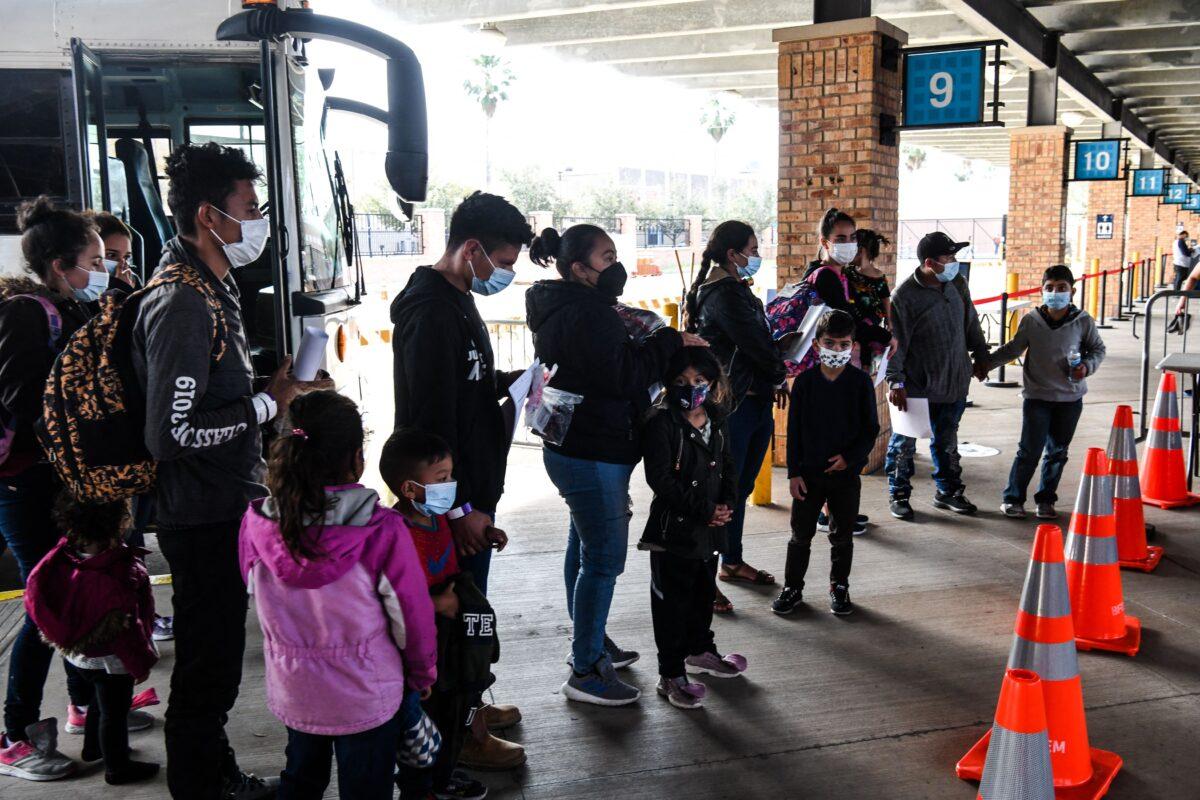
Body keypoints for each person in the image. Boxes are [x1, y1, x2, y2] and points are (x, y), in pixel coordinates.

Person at [131, 142, 324, 800]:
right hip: (200, 511)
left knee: (213, 667)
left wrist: (270, 392)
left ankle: (215, 775)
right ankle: (200, 788)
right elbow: (171, 433)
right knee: (207, 670)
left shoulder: (209, 284)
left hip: (222, 504)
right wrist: (268, 402)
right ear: (210, 216)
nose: (259, 219)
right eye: (250, 207)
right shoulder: (183, 302)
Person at [525, 224, 700, 706]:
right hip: (594, 449)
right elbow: (625, 376)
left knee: (583, 544)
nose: (615, 265)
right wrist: (667, 342)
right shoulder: (589, 316)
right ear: (579, 268)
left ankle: (590, 640)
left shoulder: (559, 303)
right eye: (606, 257)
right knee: (602, 561)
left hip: (574, 444)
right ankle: (585, 670)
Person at [239, 391, 438, 800]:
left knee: (301, 780)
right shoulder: (382, 530)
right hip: (367, 695)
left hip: (296, 691)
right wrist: (421, 674)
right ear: (356, 459)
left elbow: (250, 589)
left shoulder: (257, 523)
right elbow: (412, 618)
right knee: (367, 789)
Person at [390, 190, 531, 759]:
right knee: (455, 622)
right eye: (501, 262)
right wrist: (457, 510)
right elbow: (429, 425)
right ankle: (459, 731)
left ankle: (471, 700)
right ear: (471, 249)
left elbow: (464, 382)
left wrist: (509, 382)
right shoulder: (429, 312)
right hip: (451, 505)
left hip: (469, 494)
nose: (503, 274)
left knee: (472, 616)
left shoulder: (458, 296)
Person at [0, 197, 113, 782]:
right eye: (94, 259)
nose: (102, 269)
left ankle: (79, 707)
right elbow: (24, 401)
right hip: (21, 482)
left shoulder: (65, 308)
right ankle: (13, 736)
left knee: (68, 592)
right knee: (47, 606)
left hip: (52, 476)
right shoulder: (27, 313)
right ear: (59, 264)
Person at [383, 428, 520, 800]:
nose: (451, 485)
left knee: (451, 708)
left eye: (451, 476)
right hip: (421, 643)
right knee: (426, 719)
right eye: (442, 479)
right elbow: (390, 598)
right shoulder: (396, 531)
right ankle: (425, 786)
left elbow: (461, 531)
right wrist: (436, 605)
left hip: (450, 633)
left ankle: (444, 773)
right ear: (409, 489)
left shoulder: (438, 515)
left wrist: (488, 531)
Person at [684, 220, 785, 613]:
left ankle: (732, 561)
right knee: (721, 493)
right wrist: (781, 366)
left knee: (738, 490)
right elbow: (755, 343)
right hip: (734, 405)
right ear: (732, 254)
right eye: (753, 249)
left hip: (753, 400)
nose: (757, 256)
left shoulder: (733, 288)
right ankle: (703, 581)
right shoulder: (722, 293)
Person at [24, 495, 159, 785]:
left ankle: (94, 747)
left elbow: (35, 598)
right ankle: (117, 766)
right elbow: (128, 632)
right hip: (113, 658)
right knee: (115, 712)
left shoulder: (59, 558)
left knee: (101, 698)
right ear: (119, 524)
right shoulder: (116, 573)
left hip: (79, 654)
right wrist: (141, 664)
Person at [639, 347, 747, 710]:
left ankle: (700, 651)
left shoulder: (716, 414)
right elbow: (661, 480)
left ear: (711, 383)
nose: (691, 388)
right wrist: (705, 510)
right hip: (675, 531)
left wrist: (728, 505)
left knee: (703, 592)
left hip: (710, 529)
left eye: (699, 381)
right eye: (682, 382)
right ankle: (670, 673)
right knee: (671, 603)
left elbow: (729, 463)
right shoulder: (660, 422)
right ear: (669, 384)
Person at [83, 211, 173, 642]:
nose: (119, 268)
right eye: (107, 258)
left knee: (133, 542)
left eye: (124, 258)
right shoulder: (89, 316)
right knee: (119, 545)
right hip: (110, 456)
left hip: (133, 450)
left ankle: (143, 620)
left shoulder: (127, 301)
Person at [772, 310, 879, 617]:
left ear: (853, 346)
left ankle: (839, 585)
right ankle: (792, 587)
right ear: (817, 345)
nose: (836, 349)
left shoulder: (860, 383)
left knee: (842, 535)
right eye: (829, 343)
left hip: (846, 477)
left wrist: (850, 458)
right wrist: (793, 473)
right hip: (808, 474)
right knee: (800, 535)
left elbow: (870, 429)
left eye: (843, 343)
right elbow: (794, 431)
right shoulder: (804, 383)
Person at [984, 266, 1106, 520]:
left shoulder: (1082, 320)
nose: (1055, 292)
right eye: (1049, 288)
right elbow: (1013, 349)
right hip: (1037, 398)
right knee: (1029, 450)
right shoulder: (1032, 320)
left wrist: (1087, 366)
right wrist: (985, 364)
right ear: (1042, 291)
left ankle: (1046, 500)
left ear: (1072, 290)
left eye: (1061, 288)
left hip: (1069, 399)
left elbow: (1097, 349)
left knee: (1057, 452)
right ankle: (1013, 498)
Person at [885, 231, 989, 521]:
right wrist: (896, 381)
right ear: (930, 262)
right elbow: (897, 343)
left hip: (954, 380)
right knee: (904, 444)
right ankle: (899, 494)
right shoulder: (904, 296)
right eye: (949, 258)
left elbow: (971, 322)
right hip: (916, 385)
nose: (955, 263)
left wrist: (980, 356)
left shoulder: (957, 282)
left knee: (947, 440)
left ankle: (948, 491)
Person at [801, 209, 893, 358]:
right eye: (841, 239)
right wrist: (885, 337)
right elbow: (848, 323)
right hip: (823, 359)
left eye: (853, 238)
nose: (849, 244)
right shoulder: (825, 277)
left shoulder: (843, 274)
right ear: (825, 242)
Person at [82, 210, 138, 290]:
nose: (121, 264)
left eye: (126, 257)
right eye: (111, 255)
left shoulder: (132, 281)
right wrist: (121, 289)